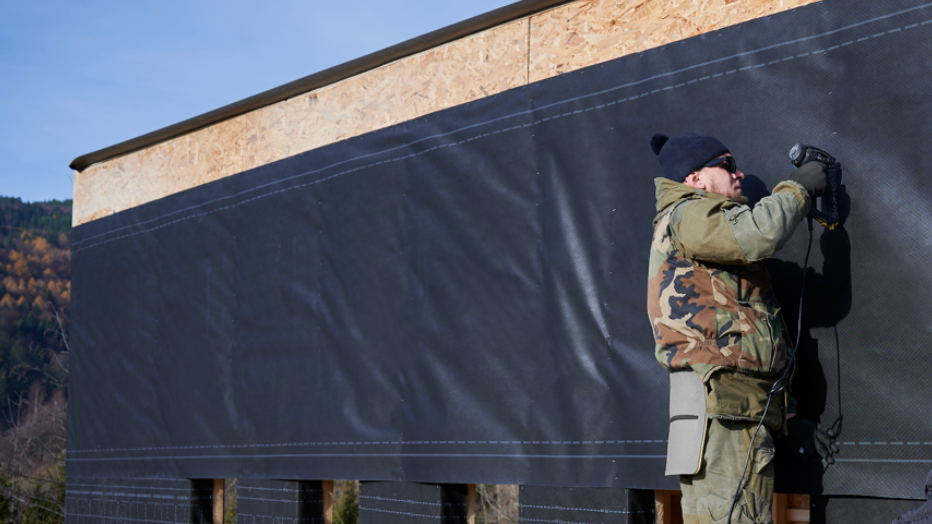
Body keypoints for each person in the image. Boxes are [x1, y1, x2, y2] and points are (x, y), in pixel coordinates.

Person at [645, 132, 831, 524]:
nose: (739, 173)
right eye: (727, 164)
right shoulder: (690, 213)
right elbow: (759, 232)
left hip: (725, 412)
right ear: (696, 179)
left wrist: (789, 416)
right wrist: (799, 188)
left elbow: (745, 332)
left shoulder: (704, 235)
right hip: (724, 416)